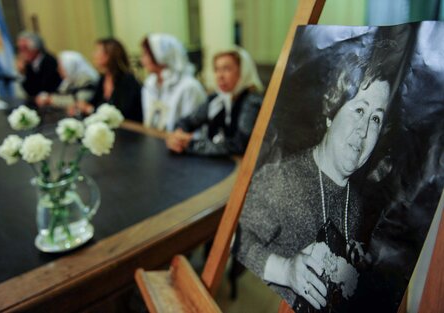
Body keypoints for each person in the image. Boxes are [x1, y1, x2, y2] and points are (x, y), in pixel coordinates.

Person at [234, 51, 398, 312]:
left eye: (376, 119)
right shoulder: (281, 179)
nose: (364, 130)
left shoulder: (354, 202)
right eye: (359, 110)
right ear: (332, 112)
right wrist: (285, 270)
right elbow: (235, 239)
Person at [166, 47, 263, 156]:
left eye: (227, 69)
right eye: (217, 69)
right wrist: (178, 136)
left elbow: (239, 145)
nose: (220, 76)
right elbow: (187, 121)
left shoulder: (252, 101)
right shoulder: (216, 98)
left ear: (243, 71)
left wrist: (191, 145)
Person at [141, 33, 206, 131]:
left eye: (146, 54)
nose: (142, 60)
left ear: (161, 55)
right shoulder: (149, 85)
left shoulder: (189, 87)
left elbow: (194, 128)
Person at [76, 38, 142, 121]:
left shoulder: (127, 80)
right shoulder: (103, 78)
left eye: (97, 51)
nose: (94, 55)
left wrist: (90, 109)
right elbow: (94, 102)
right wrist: (80, 106)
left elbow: (123, 112)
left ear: (109, 55)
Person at [16, 31, 62, 99]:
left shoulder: (49, 61)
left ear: (35, 48)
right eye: (19, 49)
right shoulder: (28, 65)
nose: (21, 53)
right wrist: (22, 73)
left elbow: (44, 89)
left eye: (25, 48)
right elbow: (30, 92)